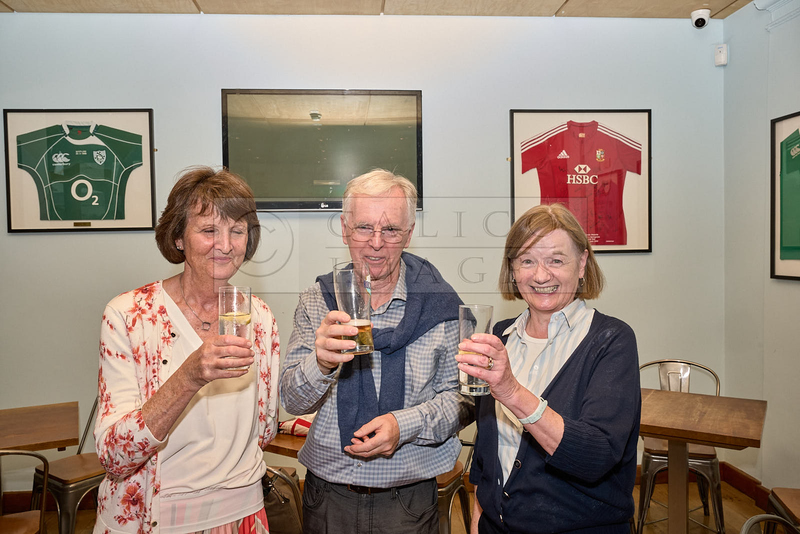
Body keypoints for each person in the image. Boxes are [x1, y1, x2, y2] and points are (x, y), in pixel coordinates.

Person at [280, 169, 474, 533]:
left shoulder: (442, 305)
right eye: (364, 227)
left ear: (409, 234)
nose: (376, 243)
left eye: (391, 230)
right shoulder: (317, 300)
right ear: (344, 228)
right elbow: (293, 400)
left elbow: (466, 400)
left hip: (408, 502)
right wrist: (319, 364)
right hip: (326, 498)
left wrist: (405, 425)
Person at [93, 167, 280, 534]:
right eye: (209, 230)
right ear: (178, 237)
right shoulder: (129, 315)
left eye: (237, 231)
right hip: (153, 518)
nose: (225, 245)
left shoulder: (259, 317)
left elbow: (264, 429)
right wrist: (190, 375)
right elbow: (115, 457)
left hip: (243, 516)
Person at [457, 203, 641, 534]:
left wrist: (511, 391)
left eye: (556, 260)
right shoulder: (499, 335)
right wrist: (478, 515)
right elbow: (488, 449)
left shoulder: (612, 341)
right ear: (512, 269)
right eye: (527, 261)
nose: (541, 275)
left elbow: (596, 457)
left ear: (582, 263)